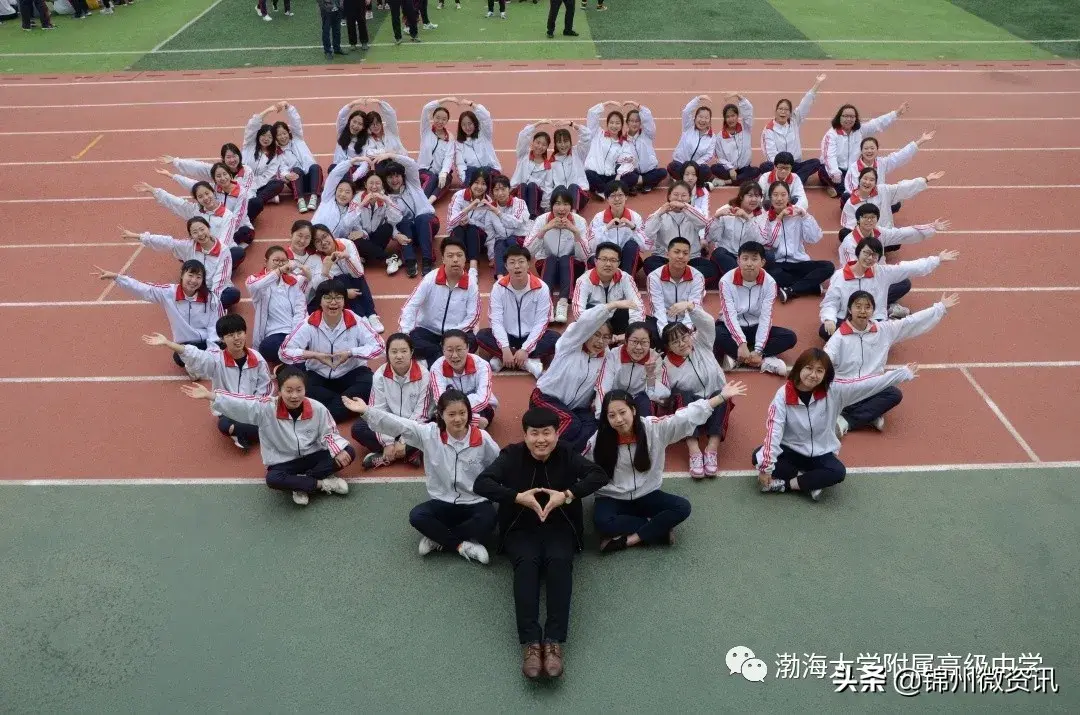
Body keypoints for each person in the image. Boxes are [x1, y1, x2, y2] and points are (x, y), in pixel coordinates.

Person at [472, 407, 611, 680]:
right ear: (525, 435)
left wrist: (567, 495)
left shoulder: (567, 453)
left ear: (557, 435)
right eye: (534, 434)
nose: (541, 440)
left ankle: (554, 641)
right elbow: (482, 483)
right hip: (521, 528)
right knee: (526, 565)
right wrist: (516, 497)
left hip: (560, 527)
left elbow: (599, 475)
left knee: (559, 562)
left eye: (547, 433)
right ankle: (531, 644)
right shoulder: (511, 455)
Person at [343, 390, 500, 563]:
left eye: (462, 413)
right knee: (417, 516)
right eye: (451, 414)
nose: (458, 419)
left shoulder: (483, 439)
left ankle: (438, 537)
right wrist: (366, 411)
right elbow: (399, 424)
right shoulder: (429, 434)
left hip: (475, 501)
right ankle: (461, 545)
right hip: (443, 501)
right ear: (440, 414)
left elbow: (498, 466)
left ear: (469, 413)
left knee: (489, 520)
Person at [586, 383, 746, 552]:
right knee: (602, 522)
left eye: (622, 412)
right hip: (613, 496)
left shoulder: (654, 428)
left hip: (646, 493)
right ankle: (657, 529)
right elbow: (583, 466)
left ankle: (629, 540)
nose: (618, 419)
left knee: (682, 507)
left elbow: (684, 417)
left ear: (633, 410)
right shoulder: (598, 440)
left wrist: (720, 397)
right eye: (611, 415)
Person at [754, 349, 918, 501]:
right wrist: (766, 468)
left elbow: (867, 383)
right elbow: (774, 431)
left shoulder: (834, 391)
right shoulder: (783, 395)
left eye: (819, 371)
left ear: (825, 374)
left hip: (820, 452)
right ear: (799, 368)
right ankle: (808, 481)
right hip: (791, 449)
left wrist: (902, 374)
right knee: (757, 456)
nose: (813, 375)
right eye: (809, 368)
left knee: (837, 472)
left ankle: (787, 485)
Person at [181, 368, 354, 507]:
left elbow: (329, 432)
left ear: (305, 390)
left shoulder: (318, 408)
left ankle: (299, 484)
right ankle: (322, 484)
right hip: (285, 461)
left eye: (299, 390)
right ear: (280, 390)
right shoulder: (266, 409)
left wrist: (337, 450)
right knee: (273, 479)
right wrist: (211, 396)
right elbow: (243, 402)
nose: (294, 396)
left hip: (313, 455)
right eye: (289, 390)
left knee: (348, 452)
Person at [826, 291, 958, 436]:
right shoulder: (838, 337)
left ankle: (845, 421)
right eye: (858, 306)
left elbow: (910, 322)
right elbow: (826, 358)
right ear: (850, 310)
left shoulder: (884, 330)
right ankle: (867, 415)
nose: (863, 311)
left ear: (873, 311)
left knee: (893, 394)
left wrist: (940, 308)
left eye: (867, 307)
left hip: (871, 387)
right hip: (846, 390)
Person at [143, 314, 272, 451]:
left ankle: (243, 433)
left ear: (245, 333)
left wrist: (251, 408)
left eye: (239, 333)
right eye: (230, 335)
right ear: (222, 339)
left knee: (268, 419)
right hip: (228, 409)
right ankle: (250, 432)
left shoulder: (258, 359)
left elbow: (265, 390)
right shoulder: (217, 359)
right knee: (225, 426)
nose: (236, 338)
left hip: (252, 409)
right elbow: (196, 355)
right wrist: (168, 343)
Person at [531, 301, 633, 451]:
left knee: (594, 427)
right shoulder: (570, 344)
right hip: (545, 399)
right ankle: (539, 453)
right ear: (587, 332)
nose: (600, 341)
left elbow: (604, 386)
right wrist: (611, 306)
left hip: (575, 409)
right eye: (596, 334)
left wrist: (601, 414)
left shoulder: (607, 357)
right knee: (571, 423)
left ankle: (564, 456)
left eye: (606, 337)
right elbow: (584, 323)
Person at [279, 279, 386, 421]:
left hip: (351, 373)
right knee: (304, 388)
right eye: (328, 298)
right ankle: (347, 406)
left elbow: (380, 346)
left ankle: (325, 412)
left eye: (338, 297)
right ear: (320, 301)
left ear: (344, 300)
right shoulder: (309, 323)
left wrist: (351, 353)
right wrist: (315, 355)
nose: (333, 302)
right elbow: (284, 352)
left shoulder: (356, 321)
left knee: (371, 383)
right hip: (319, 375)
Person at [819, 237, 958, 338]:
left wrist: (937, 260)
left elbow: (908, 267)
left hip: (873, 318)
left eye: (874, 255)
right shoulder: (840, 275)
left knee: (904, 283)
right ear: (858, 252)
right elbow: (830, 302)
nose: (869, 258)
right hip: (847, 317)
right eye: (866, 253)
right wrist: (829, 319)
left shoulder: (882, 272)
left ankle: (882, 320)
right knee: (825, 331)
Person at [95, 261, 220, 371]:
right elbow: (143, 288)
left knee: (220, 351)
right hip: (186, 345)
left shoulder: (211, 298)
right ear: (182, 275)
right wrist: (117, 277)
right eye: (190, 275)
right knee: (179, 358)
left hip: (207, 341)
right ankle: (201, 366)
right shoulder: (168, 292)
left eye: (198, 277)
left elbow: (214, 326)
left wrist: (212, 349)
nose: (193, 281)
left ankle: (198, 367)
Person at [660, 307, 735, 478]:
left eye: (684, 337)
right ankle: (694, 450)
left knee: (723, 393)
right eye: (675, 342)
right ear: (668, 347)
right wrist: (651, 375)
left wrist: (691, 307)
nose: (682, 344)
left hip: (714, 406)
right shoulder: (665, 365)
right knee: (681, 394)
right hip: (691, 412)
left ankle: (711, 448)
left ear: (690, 334)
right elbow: (660, 394)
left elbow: (708, 322)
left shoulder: (702, 342)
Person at [715, 240, 797, 375]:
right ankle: (764, 361)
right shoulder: (725, 281)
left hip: (756, 327)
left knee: (789, 337)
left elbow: (766, 317)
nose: (749, 263)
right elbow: (729, 316)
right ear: (738, 261)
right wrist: (741, 343)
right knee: (715, 333)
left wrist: (759, 350)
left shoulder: (770, 283)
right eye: (745, 259)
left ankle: (740, 358)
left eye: (754, 259)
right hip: (733, 327)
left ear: (762, 262)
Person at [477, 245, 558, 379]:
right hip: (508, 336)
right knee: (481, 335)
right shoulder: (498, 287)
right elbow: (495, 321)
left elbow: (541, 322)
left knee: (555, 339)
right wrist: (505, 348)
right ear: (506, 266)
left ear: (528, 264)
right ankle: (526, 362)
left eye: (521, 261)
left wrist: (525, 349)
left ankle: (505, 359)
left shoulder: (541, 288)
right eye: (512, 262)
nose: (517, 266)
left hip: (530, 336)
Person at [352, 332, 430, 470]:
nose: (399, 356)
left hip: (414, 425)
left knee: (433, 430)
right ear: (387, 353)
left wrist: (404, 439)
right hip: (390, 424)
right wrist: (387, 443)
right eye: (394, 352)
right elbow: (377, 411)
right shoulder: (380, 375)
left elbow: (421, 413)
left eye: (404, 351)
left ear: (411, 352)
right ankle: (410, 452)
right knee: (359, 428)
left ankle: (388, 455)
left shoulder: (424, 375)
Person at [122, 220, 239, 309]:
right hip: (195, 286)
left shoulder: (223, 250)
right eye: (195, 232)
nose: (200, 234)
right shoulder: (189, 246)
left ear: (208, 228)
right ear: (191, 236)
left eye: (202, 229)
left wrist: (212, 303)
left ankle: (202, 308)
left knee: (232, 294)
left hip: (214, 289)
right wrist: (139, 236)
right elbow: (167, 242)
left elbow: (219, 281)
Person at [399, 238, 481, 365]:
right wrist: (405, 332)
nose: (455, 259)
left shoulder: (471, 285)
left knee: (473, 341)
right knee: (408, 342)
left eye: (459, 255)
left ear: (465, 259)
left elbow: (473, 317)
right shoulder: (430, 278)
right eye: (450, 255)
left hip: (456, 332)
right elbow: (411, 305)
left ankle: (430, 359)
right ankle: (443, 357)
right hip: (428, 331)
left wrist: (452, 336)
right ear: (443, 259)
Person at [758, 181, 832, 303]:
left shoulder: (798, 215)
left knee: (828, 266)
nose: (779, 199)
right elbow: (770, 243)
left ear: (788, 197)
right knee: (770, 274)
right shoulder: (764, 218)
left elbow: (814, 238)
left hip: (800, 261)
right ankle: (809, 287)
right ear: (770, 198)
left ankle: (791, 290)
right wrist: (779, 218)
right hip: (779, 264)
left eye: (783, 195)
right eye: (775, 195)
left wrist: (806, 216)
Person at [368, 152, 440, 277]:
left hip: (429, 224)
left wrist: (391, 155)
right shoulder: (386, 198)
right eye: (390, 177)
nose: (394, 180)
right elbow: (390, 222)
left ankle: (427, 259)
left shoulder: (413, 184)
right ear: (385, 179)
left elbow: (412, 164)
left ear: (403, 176)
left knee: (421, 218)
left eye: (397, 176)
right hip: (410, 232)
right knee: (403, 222)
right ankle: (410, 260)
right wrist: (396, 235)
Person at [524, 187, 590, 323]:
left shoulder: (579, 221)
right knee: (552, 258)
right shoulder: (542, 220)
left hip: (572, 268)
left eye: (566, 204)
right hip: (547, 266)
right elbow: (527, 251)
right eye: (557, 203)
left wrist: (575, 232)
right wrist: (545, 229)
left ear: (571, 206)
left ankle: (563, 303)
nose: (561, 208)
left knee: (565, 258)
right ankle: (546, 304)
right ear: (551, 205)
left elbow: (584, 256)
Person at [819, 101, 909, 199]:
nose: (848, 119)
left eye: (852, 117)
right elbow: (829, 156)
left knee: (864, 182)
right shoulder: (831, 134)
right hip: (837, 169)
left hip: (853, 170)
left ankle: (838, 190)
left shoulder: (860, 130)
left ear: (856, 119)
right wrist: (835, 172)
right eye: (845, 116)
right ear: (839, 117)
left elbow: (877, 124)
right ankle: (836, 187)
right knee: (825, 171)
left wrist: (896, 113)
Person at [311, 224, 384, 332]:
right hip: (337, 292)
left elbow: (359, 272)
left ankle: (371, 315)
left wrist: (347, 257)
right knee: (341, 278)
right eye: (317, 241)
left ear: (331, 234)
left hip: (356, 280)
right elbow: (317, 287)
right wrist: (325, 272)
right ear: (314, 245)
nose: (323, 242)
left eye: (325, 236)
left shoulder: (347, 244)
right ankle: (362, 318)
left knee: (357, 277)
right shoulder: (316, 258)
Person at [245, 245, 311, 365]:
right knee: (268, 347)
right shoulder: (255, 280)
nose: (280, 264)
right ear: (265, 262)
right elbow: (254, 286)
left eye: (283, 261)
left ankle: (287, 364)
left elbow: (300, 310)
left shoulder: (294, 282)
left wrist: (293, 336)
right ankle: (294, 360)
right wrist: (279, 271)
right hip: (274, 334)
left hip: (294, 332)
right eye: (276, 260)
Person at [571, 241, 645, 340]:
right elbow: (578, 313)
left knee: (631, 313)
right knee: (589, 311)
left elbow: (637, 306)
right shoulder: (583, 281)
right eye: (604, 259)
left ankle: (623, 341)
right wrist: (602, 333)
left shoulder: (626, 278)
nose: (608, 264)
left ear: (619, 263)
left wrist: (630, 334)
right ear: (596, 261)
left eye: (613, 260)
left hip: (618, 323)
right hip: (594, 327)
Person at [760, 74, 826, 185]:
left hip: (794, 165)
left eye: (786, 110)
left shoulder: (794, 121)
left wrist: (817, 84)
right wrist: (782, 167)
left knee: (815, 163)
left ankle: (789, 181)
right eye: (780, 109)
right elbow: (770, 154)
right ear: (776, 111)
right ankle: (795, 180)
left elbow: (806, 103)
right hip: (778, 166)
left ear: (790, 113)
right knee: (764, 166)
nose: (783, 112)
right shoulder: (768, 130)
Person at [594, 322, 670, 418]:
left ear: (650, 343)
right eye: (634, 341)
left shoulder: (655, 358)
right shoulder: (614, 355)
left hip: (640, 401)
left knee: (645, 401)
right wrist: (601, 415)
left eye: (644, 342)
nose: (638, 347)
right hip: (615, 399)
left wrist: (650, 375)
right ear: (626, 341)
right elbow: (603, 386)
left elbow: (662, 395)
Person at [641, 182, 713, 280]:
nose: (679, 198)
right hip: (665, 258)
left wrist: (686, 208)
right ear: (669, 196)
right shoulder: (659, 213)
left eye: (683, 195)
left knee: (710, 268)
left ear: (689, 198)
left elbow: (703, 223)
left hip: (691, 258)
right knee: (649, 263)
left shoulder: (695, 212)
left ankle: (672, 278)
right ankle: (685, 279)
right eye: (675, 195)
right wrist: (659, 214)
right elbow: (648, 233)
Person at [429, 330, 498, 429]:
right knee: (437, 418)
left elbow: (483, 399)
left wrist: (458, 412)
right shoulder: (436, 368)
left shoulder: (482, 365)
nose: (454, 355)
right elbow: (440, 401)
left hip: (479, 409)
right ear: (443, 350)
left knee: (481, 419)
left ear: (468, 348)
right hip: (452, 413)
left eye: (459, 349)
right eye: (449, 350)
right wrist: (474, 419)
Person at [839, 204, 948, 266]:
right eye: (865, 217)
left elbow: (901, 234)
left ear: (877, 219)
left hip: (879, 272)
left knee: (904, 284)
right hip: (859, 282)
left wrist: (931, 227)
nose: (869, 221)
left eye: (872, 217)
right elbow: (851, 269)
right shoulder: (849, 243)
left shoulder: (879, 232)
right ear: (858, 220)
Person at [842, 131, 936, 202]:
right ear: (861, 151)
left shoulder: (882, 163)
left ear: (877, 150)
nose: (869, 151)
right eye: (866, 148)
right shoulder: (854, 167)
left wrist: (920, 141)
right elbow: (850, 189)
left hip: (877, 197)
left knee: (896, 204)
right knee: (846, 197)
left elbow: (899, 156)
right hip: (859, 198)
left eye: (872, 148)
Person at [840, 169, 943, 233]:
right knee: (844, 234)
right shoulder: (851, 203)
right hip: (865, 236)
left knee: (896, 243)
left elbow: (902, 188)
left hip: (884, 233)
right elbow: (849, 225)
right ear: (859, 180)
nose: (867, 182)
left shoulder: (883, 190)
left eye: (871, 180)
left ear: (875, 183)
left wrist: (925, 179)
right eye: (865, 179)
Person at [645, 237, 705, 342]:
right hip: (664, 322)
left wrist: (684, 334)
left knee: (706, 327)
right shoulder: (654, 277)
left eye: (685, 253)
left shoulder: (697, 277)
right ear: (667, 254)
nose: (681, 256)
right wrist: (666, 335)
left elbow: (695, 307)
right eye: (676, 252)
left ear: (689, 256)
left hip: (688, 324)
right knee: (646, 330)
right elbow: (658, 310)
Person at [271, 102, 323, 212]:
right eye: (279, 135)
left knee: (315, 167)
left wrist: (288, 107)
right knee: (296, 169)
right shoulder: (278, 153)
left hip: (311, 179)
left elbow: (296, 121)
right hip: (297, 182)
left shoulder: (297, 139)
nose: (283, 137)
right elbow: (282, 170)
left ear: (288, 132)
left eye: (284, 133)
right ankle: (300, 200)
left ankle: (313, 198)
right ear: (275, 138)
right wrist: (287, 175)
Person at [587, 181, 648, 274]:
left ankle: (626, 279)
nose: (617, 199)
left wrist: (633, 228)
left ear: (626, 196)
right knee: (592, 260)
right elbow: (591, 246)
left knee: (632, 245)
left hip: (626, 259)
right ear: (607, 199)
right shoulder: (598, 218)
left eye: (620, 195)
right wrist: (606, 228)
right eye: (612, 196)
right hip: (606, 259)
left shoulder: (635, 217)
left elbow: (646, 246)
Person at [707, 182, 766, 276]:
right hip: (727, 254)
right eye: (750, 195)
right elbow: (713, 237)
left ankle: (739, 276)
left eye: (757, 196)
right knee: (719, 253)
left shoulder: (762, 214)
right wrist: (717, 218)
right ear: (741, 196)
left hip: (748, 256)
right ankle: (742, 276)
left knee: (768, 256)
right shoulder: (726, 210)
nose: (754, 199)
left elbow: (761, 240)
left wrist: (747, 219)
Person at [583, 102, 635, 198]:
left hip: (610, 176)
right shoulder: (598, 133)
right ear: (607, 124)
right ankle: (609, 190)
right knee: (587, 174)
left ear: (621, 126)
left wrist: (618, 176)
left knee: (631, 176)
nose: (614, 126)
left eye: (617, 123)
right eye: (611, 123)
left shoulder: (624, 144)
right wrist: (607, 103)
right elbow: (592, 113)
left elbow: (628, 161)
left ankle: (603, 190)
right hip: (594, 174)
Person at [445, 100, 501, 188]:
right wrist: (465, 180)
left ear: (475, 123)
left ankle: (475, 189)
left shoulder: (484, 135)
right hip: (473, 177)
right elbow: (460, 165)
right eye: (464, 125)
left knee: (482, 170)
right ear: (460, 127)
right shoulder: (459, 144)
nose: (467, 127)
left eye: (470, 123)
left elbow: (486, 117)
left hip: (490, 172)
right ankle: (469, 190)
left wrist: (471, 104)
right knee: (471, 169)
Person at [710, 93, 761, 188]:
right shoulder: (720, 136)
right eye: (728, 117)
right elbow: (720, 158)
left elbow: (749, 111)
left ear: (737, 116)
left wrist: (738, 96)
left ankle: (726, 182)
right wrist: (730, 168)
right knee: (714, 168)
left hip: (744, 168)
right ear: (724, 119)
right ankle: (741, 180)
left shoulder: (746, 128)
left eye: (733, 115)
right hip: (729, 171)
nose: (731, 119)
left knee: (756, 171)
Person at [510, 120, 556, 219]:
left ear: (547, 147)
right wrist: (539, 123)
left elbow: (548, 188)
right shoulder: (523, 155)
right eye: (538, 142)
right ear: (532, 142)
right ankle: (520, 215)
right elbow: (523, 135)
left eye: (544, 144)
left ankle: (532, 217)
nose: (540, 146)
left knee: (532, 185)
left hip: (535, 198)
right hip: (519, 192)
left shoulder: (548, 166)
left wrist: (544, 206)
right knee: (523, 185)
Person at [621, 101, 667, 194]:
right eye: (631, 121)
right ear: (627, 123)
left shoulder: (647, 134)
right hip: (634, 172)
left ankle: (636, 184)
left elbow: (648, 117)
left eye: (637, 121)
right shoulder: (623, 140)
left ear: (641, 122)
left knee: (663, 172)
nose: (634, 124)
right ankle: (646, 183)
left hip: (649, 170)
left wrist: (637, 106)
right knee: (622, 175)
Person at [669, 95, 717, 181]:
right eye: (700, 117)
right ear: (695, 118)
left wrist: (694, 165)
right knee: (672, 167)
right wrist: (698, 99)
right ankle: (695, 182)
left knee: (706, 170)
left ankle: (683, 181)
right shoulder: (688, 127)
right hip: (681, 163)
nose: (703, 120)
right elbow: (686, 112)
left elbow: (709, 154)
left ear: (710, 121)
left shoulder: (712, 137)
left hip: (696, 167)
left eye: (706, 118)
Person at [418, 98, 457, 201]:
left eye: (444, 119)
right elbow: (426, 108)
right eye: (437, 118)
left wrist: (444, 173)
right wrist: (446, 99)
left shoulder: (450, 137)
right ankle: (422, 202)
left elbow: (449, 157)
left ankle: (430, 202)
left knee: (447, 178)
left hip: (438, 173)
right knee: (432, 178)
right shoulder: (426, 130)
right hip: (423, 171)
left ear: (447, 121)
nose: (440, 121)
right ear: (433, 117)